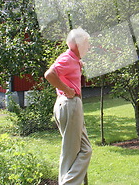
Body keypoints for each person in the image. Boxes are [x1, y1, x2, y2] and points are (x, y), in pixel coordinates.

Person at [44, 28, 92, 185]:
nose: (89, 47)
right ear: (78, 44)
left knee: (85, 150)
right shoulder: (68, 58)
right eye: (87, 43)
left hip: (72, 104)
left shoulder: (73, 58)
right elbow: (49, 74)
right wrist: (67, 89)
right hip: (69, 103)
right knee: (70, 154)